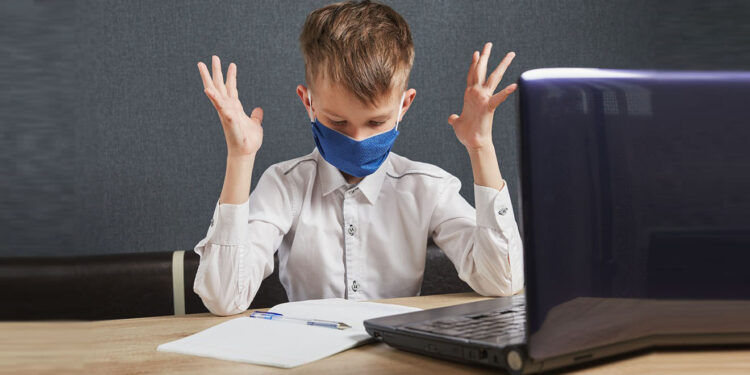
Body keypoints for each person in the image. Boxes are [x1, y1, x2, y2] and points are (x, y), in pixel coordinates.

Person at [193, 0, 524, 316]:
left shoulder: (427, 188)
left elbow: (502, 281)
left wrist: (481, 147)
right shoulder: (285, 186)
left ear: (403, 106)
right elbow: (224, 297)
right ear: (308, 102)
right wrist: (240, 157)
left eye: (376, 122)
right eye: (337, 122)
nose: (357, 139)